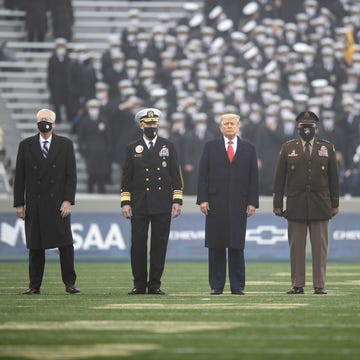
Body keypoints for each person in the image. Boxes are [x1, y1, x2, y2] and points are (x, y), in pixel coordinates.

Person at [13, 108, 80, 295]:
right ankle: (34, 286)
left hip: (58, 204)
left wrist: (68, 201)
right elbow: (20, 177)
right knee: (35, 247)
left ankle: (70, 283)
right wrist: (19, 203)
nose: (45, 122)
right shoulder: (25, 145)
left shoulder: (65, 145)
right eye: (41, 119)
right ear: (36, 123)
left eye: (48, 119)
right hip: (35, 204)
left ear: (54, 123)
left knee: (66, 245)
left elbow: (71, 176)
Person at [273, 111, 339, 295]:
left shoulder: (327, 147)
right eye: (303, 126)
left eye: (310, 126)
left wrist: (335, 203)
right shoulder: (288, 148)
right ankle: (297, 284)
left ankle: (320, 284)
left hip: (321, 203)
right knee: (296, 248)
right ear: (297, 128)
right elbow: (279, 178)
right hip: (296, 204)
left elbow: (334, 178)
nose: (307, 130)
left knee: (320, 248)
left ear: (316, 128)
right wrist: (277, 203)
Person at [120, 108, 183, 295]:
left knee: (159, 245)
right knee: (138, 244)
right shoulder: (132, 148)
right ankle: (139, 284)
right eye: (148, 124)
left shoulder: (168, 146)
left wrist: (177, 200)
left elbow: (175, 176)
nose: (151, 126)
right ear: (141, 125)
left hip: (162, 203)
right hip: (139, 204)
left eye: (154, 123)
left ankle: (155, 284)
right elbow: (126, 178)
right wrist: (125, 202)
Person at [197, 113, 259, 295]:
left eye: (232, 123)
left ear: (238, 126)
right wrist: (203, 199)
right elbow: (203, 175)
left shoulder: (249, 148)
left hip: (239, 204)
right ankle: (216, 285)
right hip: (215, 204)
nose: (229, 126)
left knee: (236, 246)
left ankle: (237, 286)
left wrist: (252, 202)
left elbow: (253, 178)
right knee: (216, 245)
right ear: (220, 127)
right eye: (226, 124)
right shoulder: (210, 147)